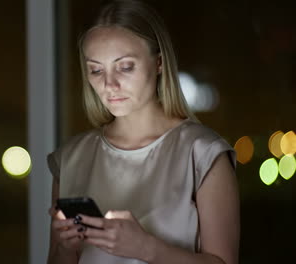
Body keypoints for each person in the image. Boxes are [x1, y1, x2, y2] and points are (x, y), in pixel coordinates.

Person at [46, 0, 240, 263]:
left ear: (159, 63)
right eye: (96, 70)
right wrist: (65, 249)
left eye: (125, 67)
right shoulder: (70, 159)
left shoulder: (203, 154)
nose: (109, 84)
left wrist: (145, 248)